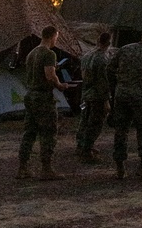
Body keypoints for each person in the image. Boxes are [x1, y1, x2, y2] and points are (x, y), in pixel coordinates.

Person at [17, 26, 72, 180]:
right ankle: (46, 169)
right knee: (48, 132)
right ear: (52, 36)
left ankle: (23, 167)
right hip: (43, 97)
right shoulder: (49, 54)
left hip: (30, 95)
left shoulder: (32, 53)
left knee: (29, 132)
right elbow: (49, 75)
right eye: (56, 37)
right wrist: (60, 85)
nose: (57, 40)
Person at [110, 28, 142, 179]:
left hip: (121, 95)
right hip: (140, 97)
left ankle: (120, 168)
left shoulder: (124, 49)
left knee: (121, 130)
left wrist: (116, 87)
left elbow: (110, 68)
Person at [76, 31, 112, 163]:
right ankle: (87, 150)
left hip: (86, 93)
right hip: (97, 96)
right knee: (95, 123)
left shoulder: (87, 55)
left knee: (84, 121)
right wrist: (106, 100)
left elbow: (83, 74)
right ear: (108, 43)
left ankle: (81, 144)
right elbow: (103, 82)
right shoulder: (102, 59)